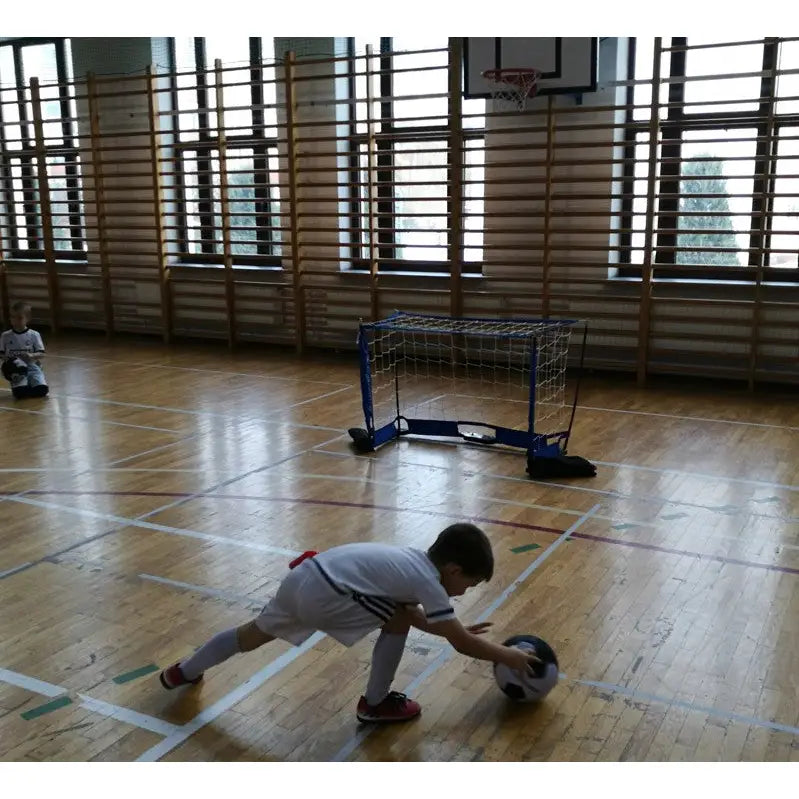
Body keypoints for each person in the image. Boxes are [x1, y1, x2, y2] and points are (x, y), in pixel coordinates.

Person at [159, 522, 540, 723]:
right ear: (453, 569)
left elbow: (403, 608)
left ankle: (184, 671)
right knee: (395, 622)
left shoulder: (410, 561)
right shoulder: (428, 581)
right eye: (468, 584)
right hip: (329, 595)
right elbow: (459, 643)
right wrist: (508, 656)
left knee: (253, 634)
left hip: (305, 577)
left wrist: (442, 625)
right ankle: (375, 704)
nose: (464, 591)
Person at [0, 301, 49, 399]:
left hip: (32, 367)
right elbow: (1, 353)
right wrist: (8, 362)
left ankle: (33, 382)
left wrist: (32, 355)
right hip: (17, 370)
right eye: (13, 317)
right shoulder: (5, 336)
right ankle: (21, 386)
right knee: (20, 394)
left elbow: (42, 354)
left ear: (28, 319)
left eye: (19, 318)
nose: (15, 320)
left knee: (42, 390)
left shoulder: (34, 335)